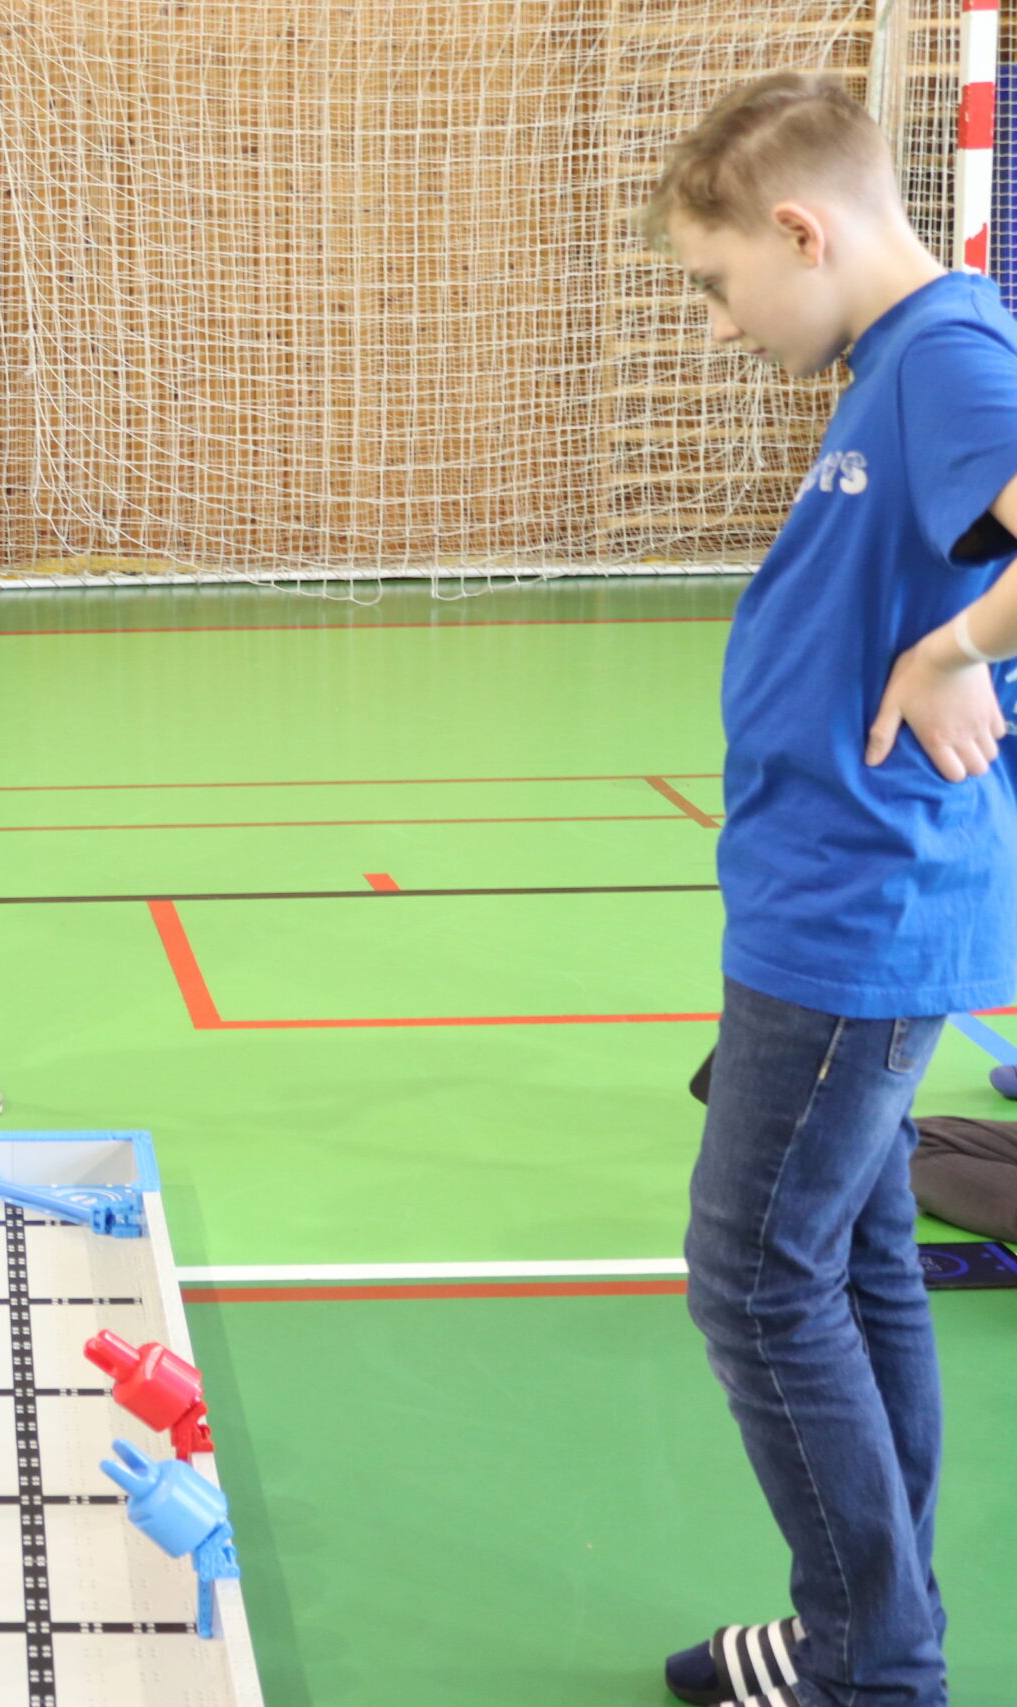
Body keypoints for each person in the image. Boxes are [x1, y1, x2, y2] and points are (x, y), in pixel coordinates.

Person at [644, 71, 1017, 1707]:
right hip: (835, 894)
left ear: (802, 231)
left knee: (754, 1276)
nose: (721, 325)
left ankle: (873, 1661)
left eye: (721, 283)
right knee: (856, 1267)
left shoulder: (945, 357)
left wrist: (954, 650)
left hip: (861, 910)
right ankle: (871, 1628)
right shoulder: (901, 359)